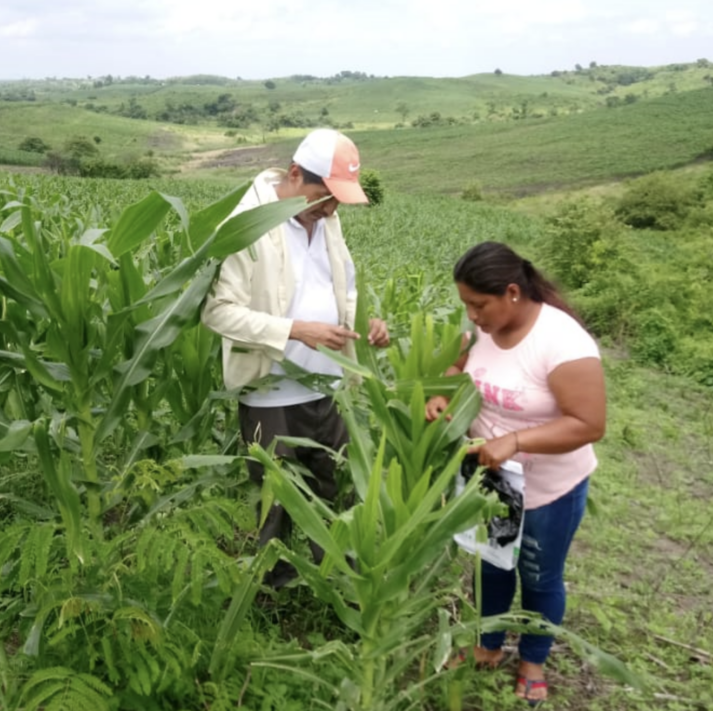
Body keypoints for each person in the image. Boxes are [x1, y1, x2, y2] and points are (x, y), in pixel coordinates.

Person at [201, 128, 389, 588]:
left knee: (333, 485)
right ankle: (275, 596)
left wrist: (364, 323)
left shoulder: (327, 219)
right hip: (271, 390)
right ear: (292, 175)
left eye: (338, 200)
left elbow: (342, 284)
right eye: (325, 196)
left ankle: (334, 581)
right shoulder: (247, 225)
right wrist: (295, 331)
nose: (331, 208)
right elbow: (217, 312)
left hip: (328, 385)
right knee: (277, 498)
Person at [425, 241, 605, 706]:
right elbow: (458, 368)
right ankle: (487, 646)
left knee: (540, 575)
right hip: (494, 480)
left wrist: (517, 440)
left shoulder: (562, 344)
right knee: (492, 562)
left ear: (511, 292)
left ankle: (533, 659)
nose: (472, 316)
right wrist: (442, 395)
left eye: (477, 305)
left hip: (549, 488)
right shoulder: (485, 329)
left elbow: (588, 424)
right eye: (466, 304)